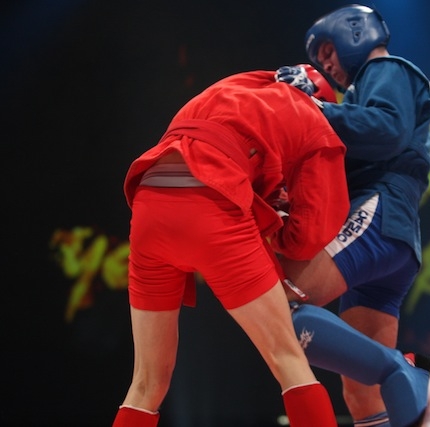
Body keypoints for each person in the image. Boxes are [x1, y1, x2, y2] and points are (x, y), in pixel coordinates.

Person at [112, 67, 350, 427]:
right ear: (322, 103)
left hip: (149, 201)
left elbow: (211, 146)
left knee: (146, 383)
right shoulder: (315, 120)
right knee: (288, 359)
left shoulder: (232, 86)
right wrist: (277, 230)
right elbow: (309, 235)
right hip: (210, 202)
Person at [275, 4, 430, 427]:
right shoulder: (364, 92)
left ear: (355, 31)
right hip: (392, 235)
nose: (326, 64)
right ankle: (396, 372)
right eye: (320, 60)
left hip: (379, 213)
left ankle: (403, 367)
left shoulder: (386, 70)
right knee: (363, 394)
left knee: (277, 299)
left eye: (327, 51)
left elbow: (386, 130)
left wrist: (312, 109)